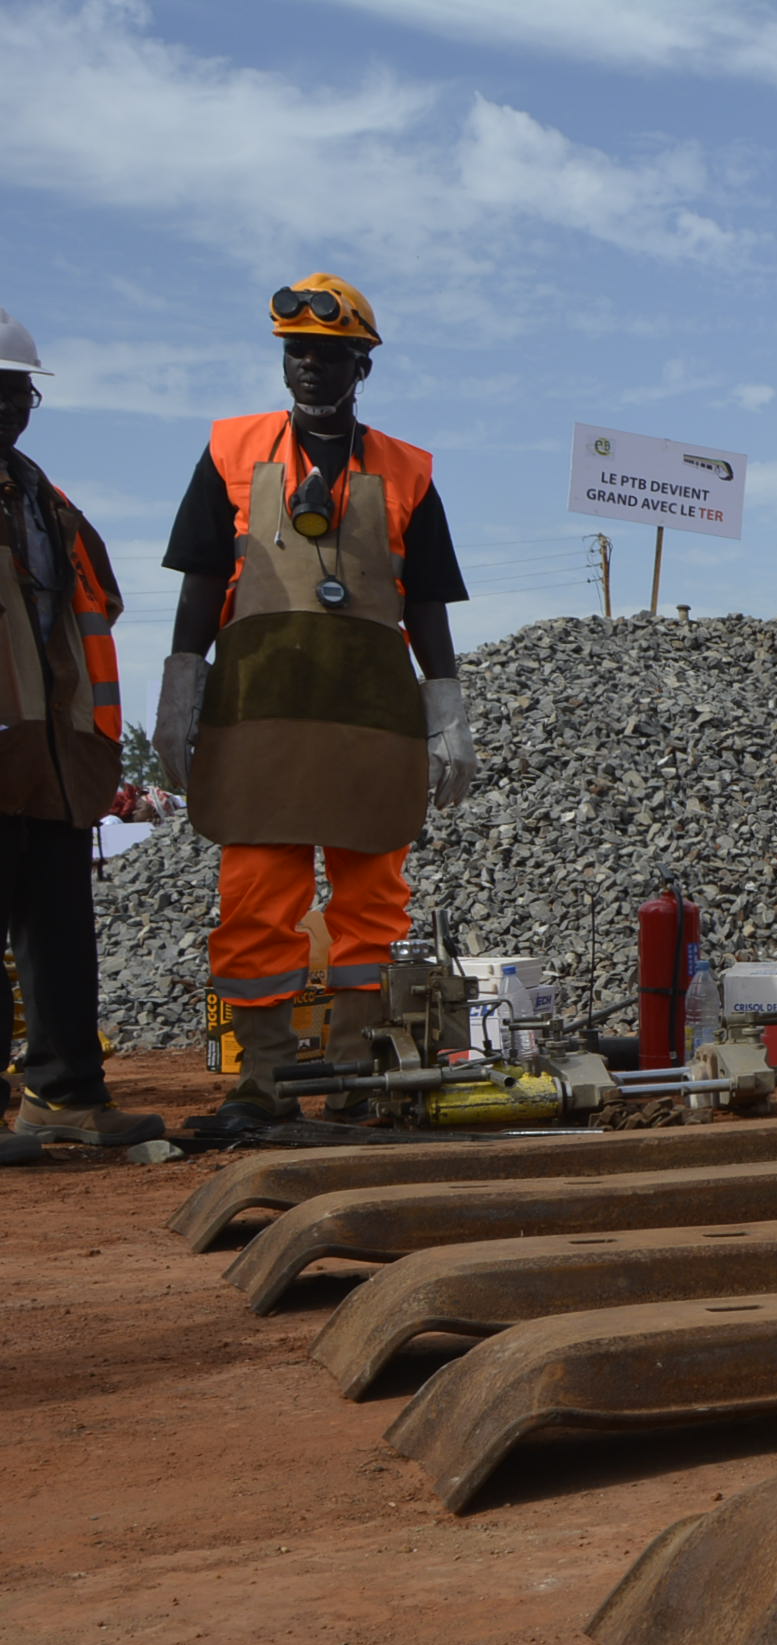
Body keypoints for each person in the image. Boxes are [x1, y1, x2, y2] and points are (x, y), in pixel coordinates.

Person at [155, 276, 474, 1134]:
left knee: (373, 901)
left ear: (361, 367)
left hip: (373, 716)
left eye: (329, 356)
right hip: (259, 711)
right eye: (297, 352)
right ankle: (261, 1086)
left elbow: (428, 603)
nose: (309, 368)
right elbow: (198, 582)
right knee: (257, 896)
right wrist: (181, 688)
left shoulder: (407, 470)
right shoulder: (233, 451)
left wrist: (447, 710)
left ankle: (360, 1078)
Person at [0, 307, 163, 1162]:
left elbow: (93, 615)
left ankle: (64, 1094)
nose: (11, 403)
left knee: (61, 935)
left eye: (19, 389)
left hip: (57, 756)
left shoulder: (46, 503)